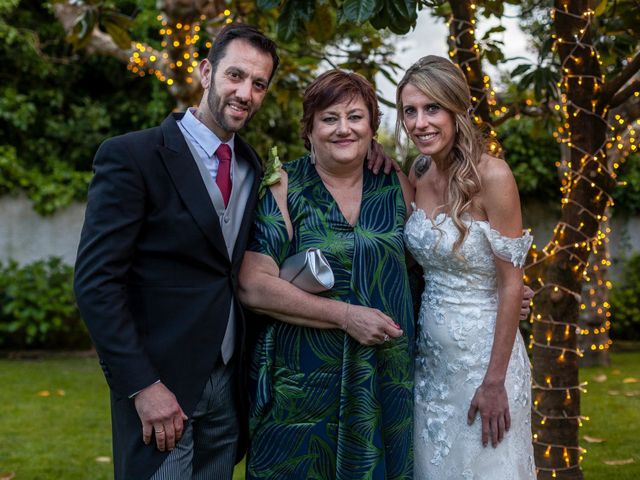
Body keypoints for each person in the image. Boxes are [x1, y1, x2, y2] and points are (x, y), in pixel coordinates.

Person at [73, 24, 280, 480]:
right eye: (235, 75)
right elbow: (95, 284)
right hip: (161, 388)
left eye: (259, 84)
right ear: (207, 72)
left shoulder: (251, 165)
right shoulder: (132, 156)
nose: (245, 93)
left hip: (228, 389)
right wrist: (142, 386)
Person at [238, 69, 415, 479]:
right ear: (310, 128)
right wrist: (346, 316)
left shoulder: (397, 186)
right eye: (329, 118)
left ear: (373, 126)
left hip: (384, 380)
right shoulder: (283, 185)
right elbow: (253, 284)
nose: (343, 129)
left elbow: (435, 256)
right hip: (301, 387)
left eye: (355, 117)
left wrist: (496, 287)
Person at [397, 55, 536, 478]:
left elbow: (512, 285)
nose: (420, 122)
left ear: (457, 109)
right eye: (410, 111)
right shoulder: (418, 170)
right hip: (430, 363)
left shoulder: (494, 176)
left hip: (485, 362)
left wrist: (494, 382)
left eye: (432, 108)